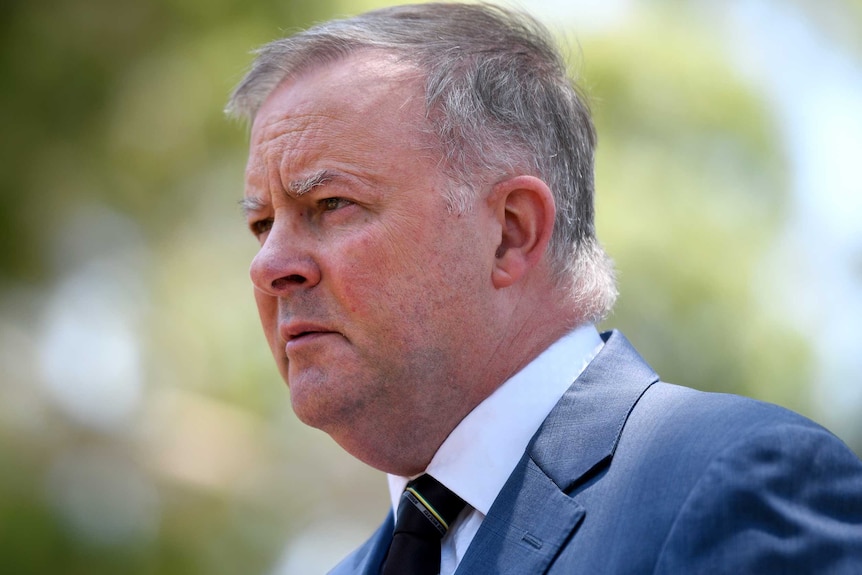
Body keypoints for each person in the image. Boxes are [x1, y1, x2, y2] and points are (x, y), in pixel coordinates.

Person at [226, 3, 862, 573]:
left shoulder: (739, 485)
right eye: (261, 224)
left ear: (510, 232)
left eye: (332, 203)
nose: (269, 266)